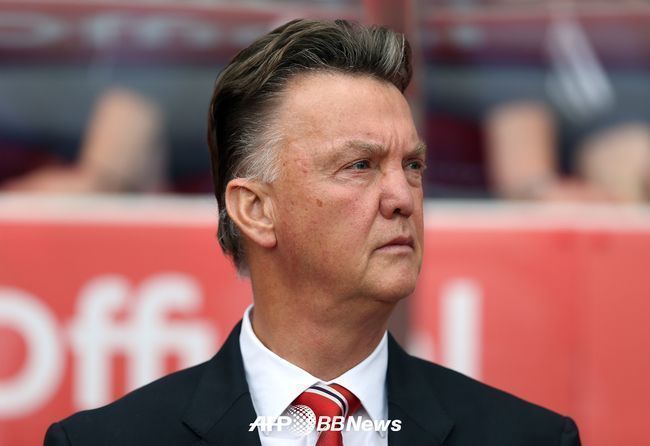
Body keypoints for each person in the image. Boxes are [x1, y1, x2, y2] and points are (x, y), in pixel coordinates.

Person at [44, 19, 581, 446]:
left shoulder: (527, 438)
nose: (403, 197)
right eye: (360, 166)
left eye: (413, 166)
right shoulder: (106, 440)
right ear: (255, 209)